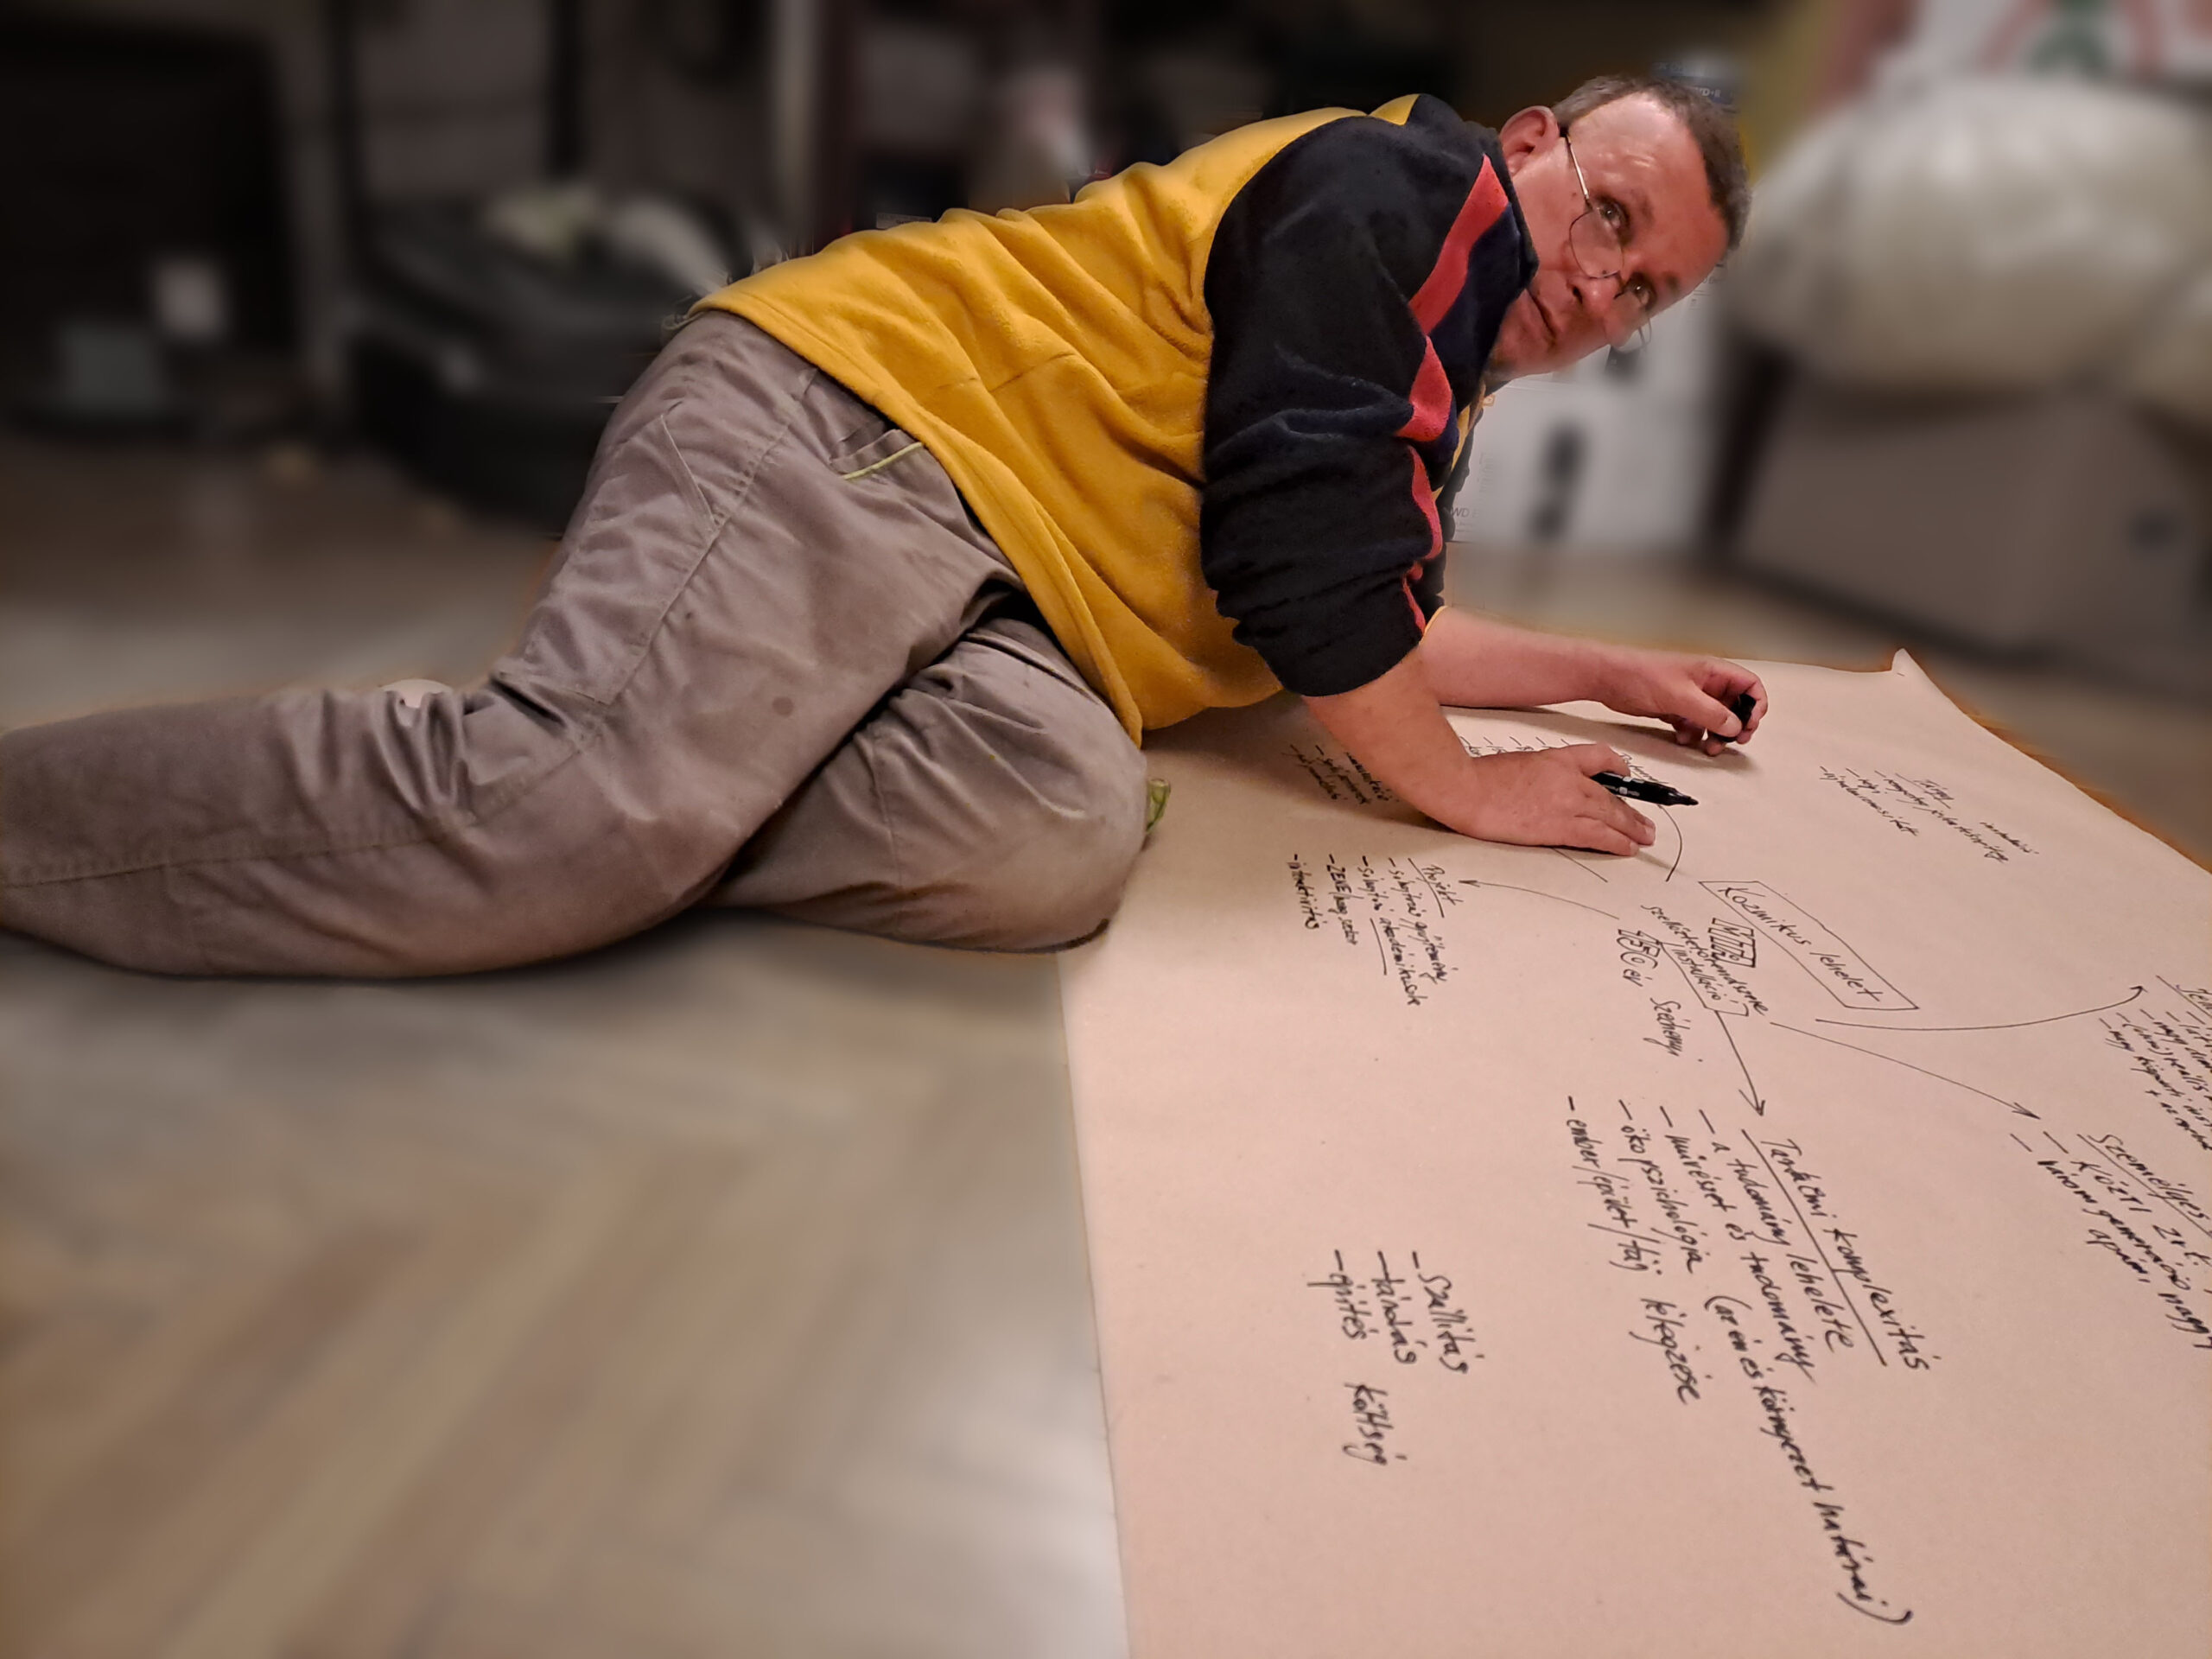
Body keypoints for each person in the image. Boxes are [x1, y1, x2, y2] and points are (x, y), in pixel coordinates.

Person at [0, 73, 1766, 978]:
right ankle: (567, 778)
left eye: (1646, 292)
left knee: (1048, 843)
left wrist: (1610, 673)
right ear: (1525, 146)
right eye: (1609, 214)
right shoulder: (1411, 195)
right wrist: (1463, 788)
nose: (1601, 282)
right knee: (556, 824)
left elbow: (1375, 610)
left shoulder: (1426, 372)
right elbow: (1311, 571)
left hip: (1008, 595)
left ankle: (645, 756)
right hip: (865, 425)